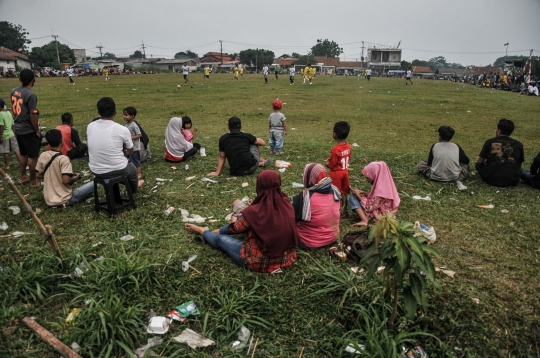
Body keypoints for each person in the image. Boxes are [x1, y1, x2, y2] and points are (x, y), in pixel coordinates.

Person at [184, 170, 297, 273]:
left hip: (256, 261)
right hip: (286, 259)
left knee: (221, 239)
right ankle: (215, 231)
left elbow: (235, 228)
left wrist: (234, 221)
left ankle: (202, 231)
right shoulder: (287, 204)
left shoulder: (254, 212)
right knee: (239, 212)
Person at [87, 97, 143, 194]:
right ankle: (134, 188)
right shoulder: (122, 129)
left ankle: (115, 187)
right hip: (118, 168)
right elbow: (130, 151)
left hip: (96, 169)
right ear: (115, 112)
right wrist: (124, 152)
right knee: (132, 170)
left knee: (118, 169)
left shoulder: (90, 126)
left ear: (98, 112)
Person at [36, 129, 95, 207]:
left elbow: (38, 174)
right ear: (62, 141)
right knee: (95, 184)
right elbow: (66, 181)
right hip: (65, 199)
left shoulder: (43, 155)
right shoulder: (64, 159)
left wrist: (54, 175)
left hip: (49, 201)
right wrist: (77, 177)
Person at [293, 163, 341, 250]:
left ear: (309, 177)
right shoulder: (335, 191)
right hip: (333, 239)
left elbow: (293, 218)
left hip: (309, 243)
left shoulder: (304, 197)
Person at [11, 69, 41, 186]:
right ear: (34, 80)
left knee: (23, 154)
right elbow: (33, 115)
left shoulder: (14, 91)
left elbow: (15, 111)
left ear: (20, 79)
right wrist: (37, 130)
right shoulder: (31, 94)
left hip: (18, 127)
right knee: (33, 156)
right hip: (28, 129)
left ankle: (23, 177)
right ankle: (33, 181)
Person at [349, 162, 400, 227]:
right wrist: (366, 194)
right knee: (360, 197)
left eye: (368, 176)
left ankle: (365, 220)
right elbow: (379, 202)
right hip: (387, 214)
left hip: (380, 217)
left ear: (375, 174)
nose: (367, 179)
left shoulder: (381, 191)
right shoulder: (386, 185)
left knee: (352, 198)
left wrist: (358, 195)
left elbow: (369, 207)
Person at [476, 119, 524, 187]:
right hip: (512, 180)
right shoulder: (518, 144)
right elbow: (518, 165)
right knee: (520, 169)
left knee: (478, 165)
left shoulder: (490, 142)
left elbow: (480, 162)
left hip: (490, 179)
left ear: (499, 131)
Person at [327, 121, 351, 208]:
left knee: (336, 191)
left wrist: (327, 163)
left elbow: (332, 164)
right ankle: (344, 208)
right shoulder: (348, 146)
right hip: (345, 172)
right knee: (344, 192)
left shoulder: (336, 149)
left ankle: (337, 208)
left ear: (335, 134)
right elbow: (349, 158)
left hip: (336, 174)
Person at [0, 98, 21, 170]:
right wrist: (13, 131)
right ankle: (21, 163)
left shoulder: (0, 115)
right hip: (11, 134)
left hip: (5, 135)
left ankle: (7, 165)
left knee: (6, 151)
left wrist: (0, 136)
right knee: (16, 149)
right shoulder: (9, 113)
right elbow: (13, 123)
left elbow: (1, 126)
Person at [123, 106, 143, 179]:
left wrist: (130, 138)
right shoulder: (127, 124)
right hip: (129, 147)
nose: (124, 116)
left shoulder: (134, 125)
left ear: (132, 116)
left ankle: (139, 174)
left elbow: (139, 134)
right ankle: (131, 173)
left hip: (135, 147)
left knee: (136, 161)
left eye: (126, 115)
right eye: (124, 115)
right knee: (129, 160)